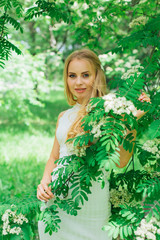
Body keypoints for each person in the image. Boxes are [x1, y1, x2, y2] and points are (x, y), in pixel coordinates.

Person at [37, 48, 150, 240]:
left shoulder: (111, 112)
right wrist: (44, 181)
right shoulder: (63, 116)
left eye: (85, 75)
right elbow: (55, 157)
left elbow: (121, 161)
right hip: (58, 208)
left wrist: (131, 120)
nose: (78, 82)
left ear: (97, 77)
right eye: (72, 75)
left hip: (92, 210)